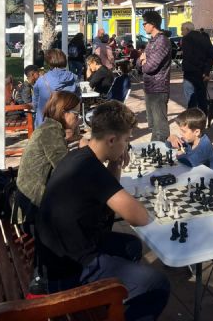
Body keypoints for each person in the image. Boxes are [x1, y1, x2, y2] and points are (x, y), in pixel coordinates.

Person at [36, 101, 170, 320]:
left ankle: (116, 301)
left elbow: (106, 188)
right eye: (126, 140)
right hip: (69, 270)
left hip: (55, 257)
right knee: (157, 284)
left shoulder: (80, 156)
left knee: (132, 245)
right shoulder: (92, 170)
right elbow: (139, 217)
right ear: (111, 139)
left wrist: (116, 164)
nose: (127, 146)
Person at [13, 91, 82, 229]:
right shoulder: (51, 131)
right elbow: (66, 170)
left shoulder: (49, 127)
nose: (79, 119)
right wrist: (88, 152)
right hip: (32, 215)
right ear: (63, 113)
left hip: (30, 204)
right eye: (76, 114)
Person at [136, 10, 172, 141]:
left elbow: (149, 67)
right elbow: (138, 63)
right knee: (153, 125)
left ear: (153, 24)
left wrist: (143, 62)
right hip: (149, 88)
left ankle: (162, 154)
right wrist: (142, 61)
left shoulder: (162, 41)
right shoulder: (152, 41)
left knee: (160, 128)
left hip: (158, 88)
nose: (143, 26)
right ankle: (155, 148)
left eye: (145, 23)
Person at [33, 49, 80, 127]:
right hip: (67, 122)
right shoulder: (74, 78)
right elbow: (78, 99)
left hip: (44, 122)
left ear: (48, 62)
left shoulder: (41, 81)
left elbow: (35, 103)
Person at [180, 21, 213, 113]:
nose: (181, 32)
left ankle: (193, 120)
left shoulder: (186, 39)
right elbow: (211, 56)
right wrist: (206, 71)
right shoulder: (205, 38)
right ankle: (203, 120)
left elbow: (189, 56)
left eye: (182, 30)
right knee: (202, 98)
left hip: (190, 73)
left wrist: (200, 68)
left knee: (191, 98)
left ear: (187, 29)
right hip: (203, 74)